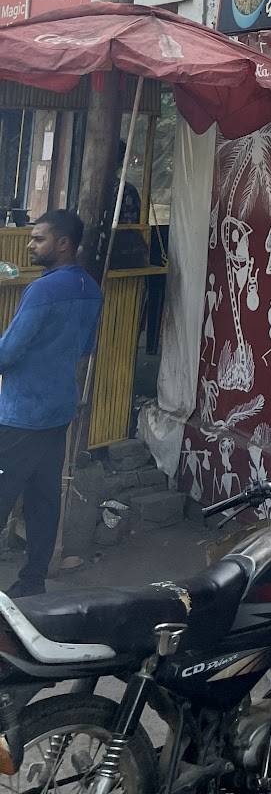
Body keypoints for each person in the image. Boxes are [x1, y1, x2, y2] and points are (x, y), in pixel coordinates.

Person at [0, 210, 102, 596]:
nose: (30, 244)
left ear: (63, 243)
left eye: (38, 238)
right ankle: (32, 583)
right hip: (59, 410)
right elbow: (86, 347)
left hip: (22, 414)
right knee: (44, 499)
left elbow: (7, 354)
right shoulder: (90, 288)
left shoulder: (43, 291)